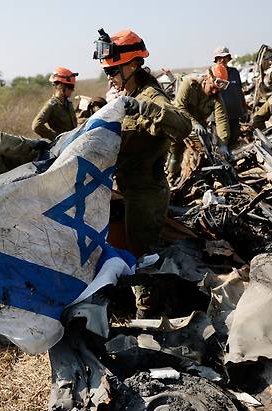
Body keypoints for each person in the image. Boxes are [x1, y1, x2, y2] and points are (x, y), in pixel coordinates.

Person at [93, 28, 190, 317]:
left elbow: (183, 125)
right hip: (128, 188)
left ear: (132, 65)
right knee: (132, 251)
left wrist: (140, 106)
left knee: (143, 257)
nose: (109, 76)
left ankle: (149, 316)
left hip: (146, 193)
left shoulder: (148, 96)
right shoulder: (128, 92)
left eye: (113, 69)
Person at [169, 63, 231, 185]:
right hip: (178, 122)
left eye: (217, 89)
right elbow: (179, 107)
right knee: (176, 151)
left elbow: (221, 119)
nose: (214, 91)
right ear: (206, 78)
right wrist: (194, 123)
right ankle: (171, 180)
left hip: (198, 130)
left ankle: (200, 182)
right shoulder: (189, 84)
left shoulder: (216, 96)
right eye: (212, 87)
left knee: (203, 154)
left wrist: (223, 143)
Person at [213, 47, 249, 148]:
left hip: (234, 114)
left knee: (234, 138)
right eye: (220, 58)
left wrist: (244, 109)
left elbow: (239, 91)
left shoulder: (234, 72)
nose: (223, 60)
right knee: (221, 141)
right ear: (216, 59)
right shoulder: (212, 73)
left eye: (225, 57)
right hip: (219, 117)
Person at [32, 67, 78, 140]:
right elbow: (36, 126)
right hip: (62, 146)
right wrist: (56, 137)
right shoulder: (51, 105)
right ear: (61, 86)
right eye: (70, 87)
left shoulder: (68, 103)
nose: (72, 90)